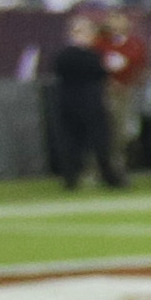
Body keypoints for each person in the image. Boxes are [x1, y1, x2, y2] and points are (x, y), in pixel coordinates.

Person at [45, 13, 121, 191]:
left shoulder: (62, 55)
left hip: (67, 103)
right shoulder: (90, 56)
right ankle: (108, 176)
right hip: (90, 102)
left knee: (71, 143)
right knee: (100, 141)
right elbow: (100, 74)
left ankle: (71, 179)